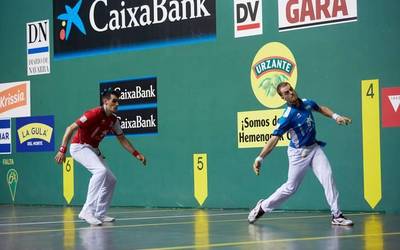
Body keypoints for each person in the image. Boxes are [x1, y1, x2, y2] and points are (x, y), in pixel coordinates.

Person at [248, 82, 353, 226]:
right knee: (290, 188)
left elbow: (321, 108)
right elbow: (274, 139)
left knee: (328, 177)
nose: (290, 93)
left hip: (314, 149)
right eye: (286, 93)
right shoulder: (287, 116)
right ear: (282, 98)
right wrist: (260, 158)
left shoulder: (307, 103)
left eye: (290, 89)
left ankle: (336, 215)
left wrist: (336, 116)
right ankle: (262, 207)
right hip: (298, 154)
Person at [55, 90, 146, 226]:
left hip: (93, 149)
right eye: (114, 101)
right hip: (79, 147)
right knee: (100, 171)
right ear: (105, 101)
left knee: (111, 180)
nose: (117, 104)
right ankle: (87, 211)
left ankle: (100, 213)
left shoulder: (113, 120)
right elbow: (70, 128)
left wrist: (136, 153)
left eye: (118, 101)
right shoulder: (93, 113)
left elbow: (122, 139)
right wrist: (62, 150)